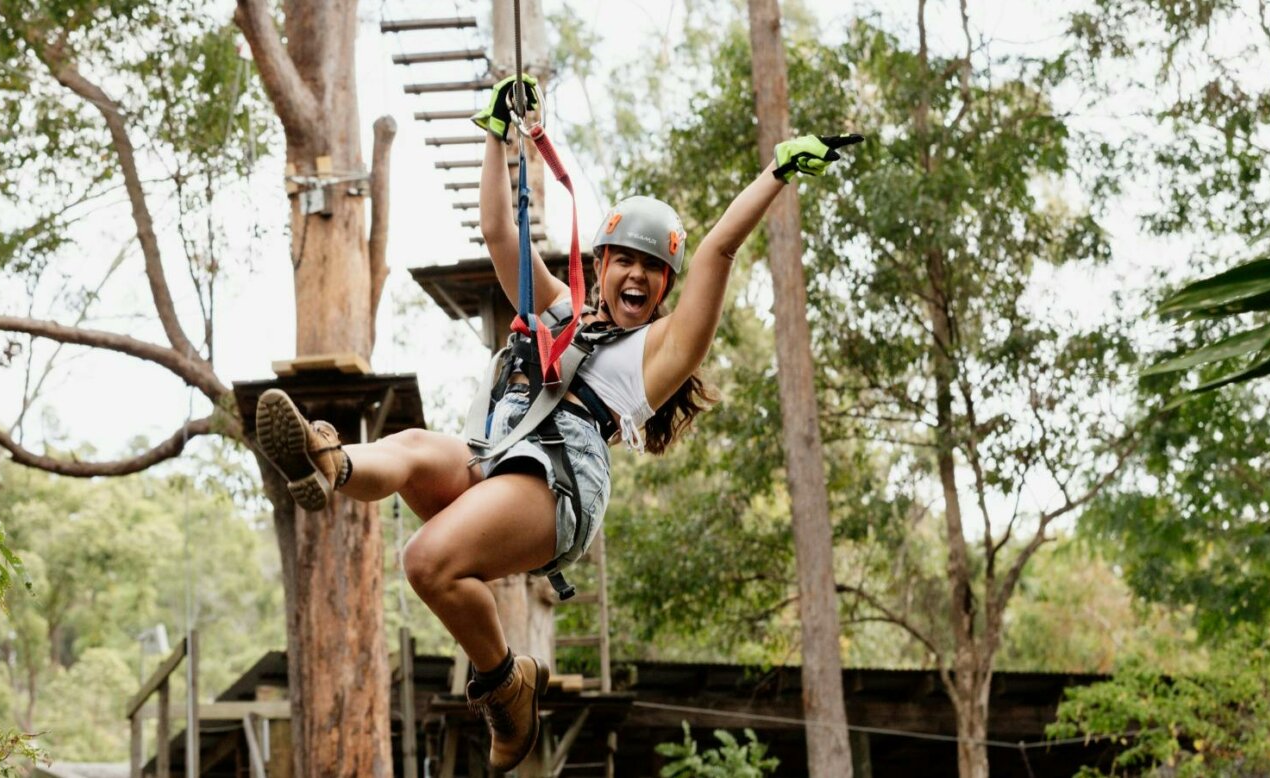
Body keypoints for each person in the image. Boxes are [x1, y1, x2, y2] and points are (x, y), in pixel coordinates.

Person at [253, 74, 859, 772]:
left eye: (653, 269)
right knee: (416, 448)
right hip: (498, 455)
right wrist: (495, 132)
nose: (636, 275)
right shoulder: (564, 313)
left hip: (560, 484)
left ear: (665, 286)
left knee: (424, 562)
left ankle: (508, 684)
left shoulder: (658, 353)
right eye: (624, 260)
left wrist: (777, 171)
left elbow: (719, 249)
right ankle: (329, 463)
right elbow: (498, 235)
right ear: (600, 267)